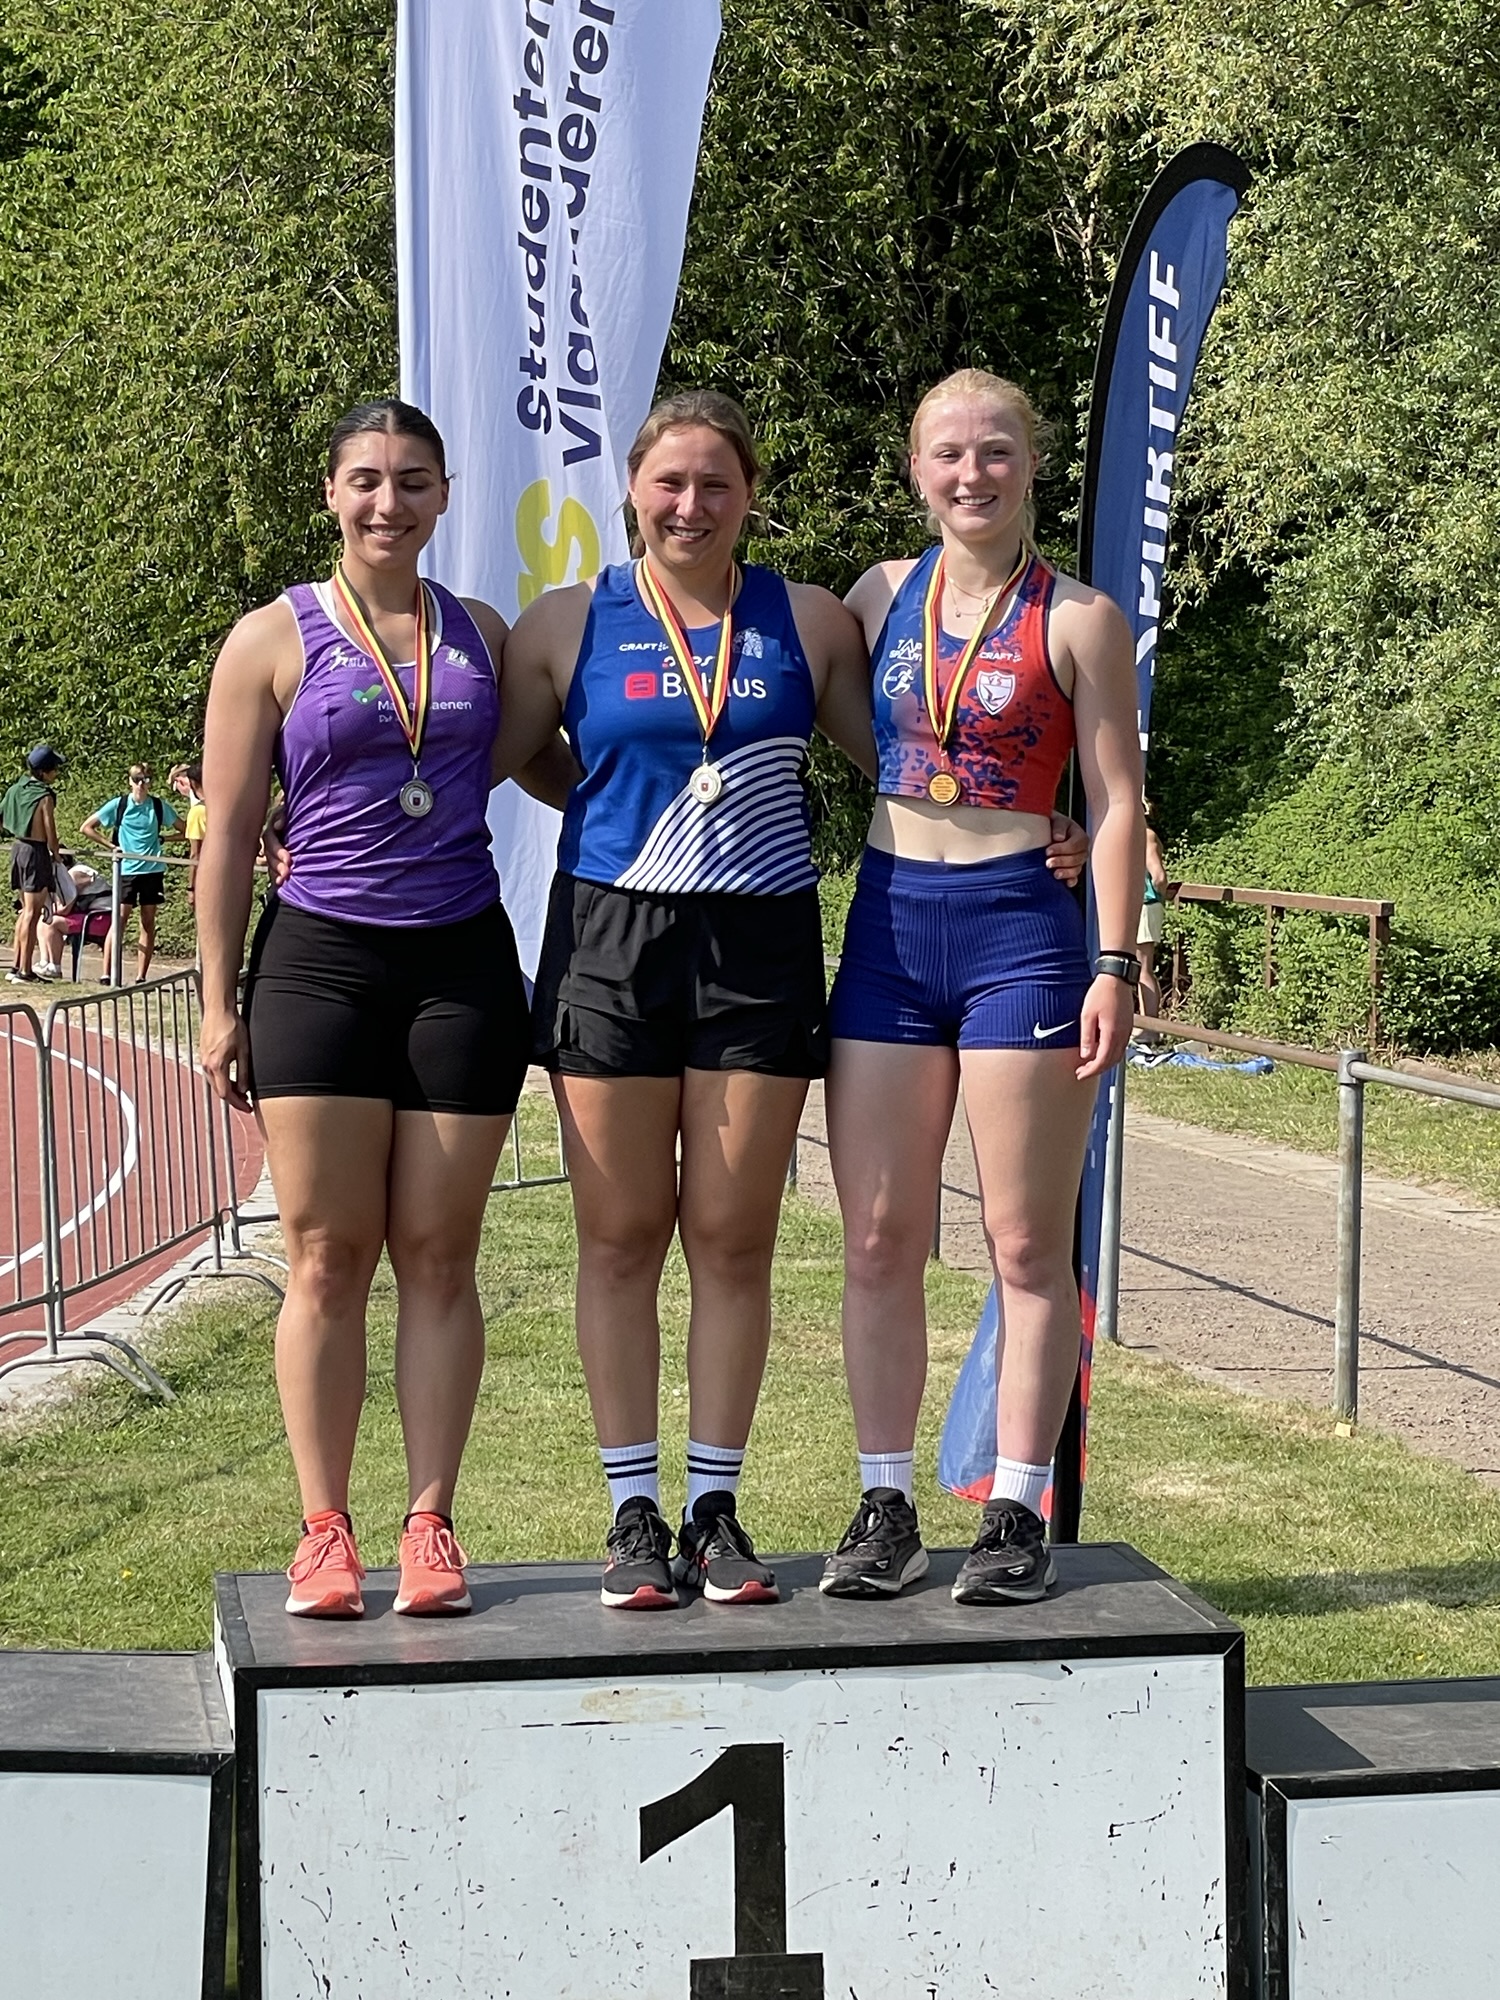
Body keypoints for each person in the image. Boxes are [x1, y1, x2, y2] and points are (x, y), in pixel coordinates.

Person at [496, 390, 888, 1610]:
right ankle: (632, 1511)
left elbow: (904, 763)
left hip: (758, 938)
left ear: (750, 494)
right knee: (620, 1235)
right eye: (670, 481)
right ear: (632, 487)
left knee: (731, 1233)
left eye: (717, 482)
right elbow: (501, 755)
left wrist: (1053, 825)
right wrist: (618, 808)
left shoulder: (807, 620)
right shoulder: (568, 619)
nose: (691, 504)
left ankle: (714, 1506)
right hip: (611, 933)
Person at [196, 396, 532, 1621]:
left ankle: (430, 1523)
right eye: (368, 480)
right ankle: (324, 1530)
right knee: (327, 1254)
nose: (390, 502)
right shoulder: (268, 638)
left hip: (460, 968)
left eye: (413, 481)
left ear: (444, 495)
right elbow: (229, 833)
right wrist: (217, 1002)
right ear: (333, 493)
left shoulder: (482, 633)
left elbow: (563, 762)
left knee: (440, 1253)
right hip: (319, 966)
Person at [821, 368, 1144, 1607]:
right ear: (917, 469)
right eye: (950, 453)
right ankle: (885, 1501)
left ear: (1031, 462)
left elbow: (1117, 800)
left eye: (996, 451)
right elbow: (847, 719)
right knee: (878, 1234)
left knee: (1023, 1239)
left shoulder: (1081, 618)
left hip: (1024, 934)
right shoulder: (876, 597)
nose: (974, 474)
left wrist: (1113, 957)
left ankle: (1016, 1505)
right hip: (892, 929)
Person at [79, 763, 182, 982]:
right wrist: (111, 847)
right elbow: (87, 827)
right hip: (127, 870)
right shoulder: (120, 804)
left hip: (152, 870)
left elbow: (187, 830)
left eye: (145, 780)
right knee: (119, 920)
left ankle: (141, 976)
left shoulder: (158, 806)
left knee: (148, 921)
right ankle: (107, 973)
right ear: (130, 781)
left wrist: (165, 839)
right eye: (137, 780)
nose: (141, 785)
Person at [4, 744, 65, 983]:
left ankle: (16, 965)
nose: (56, 773)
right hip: (36, 852)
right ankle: (25, 970)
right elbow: (50, 832)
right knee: (32, 912)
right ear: (44, 771)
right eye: (54, 769)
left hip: (18, 849)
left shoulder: (15, 789)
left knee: (24, 910)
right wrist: (57, 855)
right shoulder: (44, 796)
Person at [1136, 797, 1168, 1024]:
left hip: (1146, 904)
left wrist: (1161, 896)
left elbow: (1159, 877)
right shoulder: (1138, 836)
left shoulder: (1146, 836)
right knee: (1138, 969)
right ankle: (1145, 1025)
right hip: (1141, 905)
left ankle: (1150, 1027)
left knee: (1144, 969)